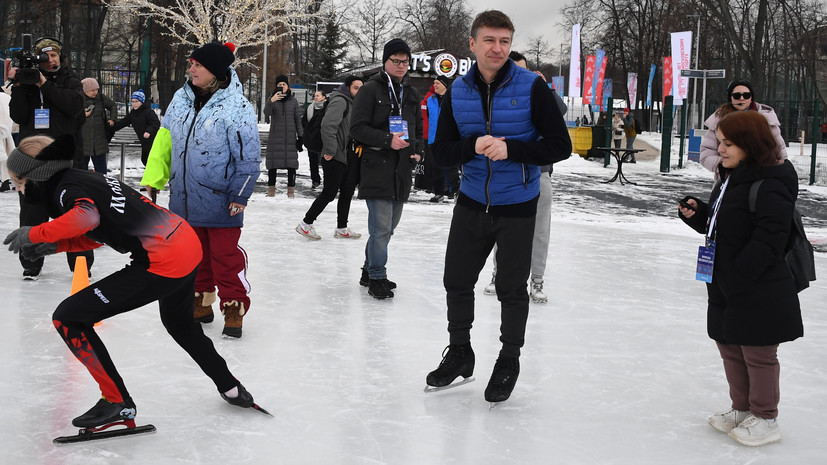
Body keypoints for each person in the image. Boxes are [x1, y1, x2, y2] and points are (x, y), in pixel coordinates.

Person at [3, 135, 261, 429]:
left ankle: (117, 402)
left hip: (163, 259)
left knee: (69, 317)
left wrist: (34, 233)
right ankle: (231, 387)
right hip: (185, 243)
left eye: (18, 183)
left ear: (35, 176)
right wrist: (57, 246)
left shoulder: (64, 189)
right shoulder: (84, 178)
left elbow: (85, 219)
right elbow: (102, 231)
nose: (19, 190)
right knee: (181, 325)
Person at [426, 10, 571, 403]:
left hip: (518, 204)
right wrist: (471, 145)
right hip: (472, 200)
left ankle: (509, 358)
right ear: (472, 44)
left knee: (510, 287)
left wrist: (513, 150)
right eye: (489, 40)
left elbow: (560, 146)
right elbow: (440, 153)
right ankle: (460, 352)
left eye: (504, 41)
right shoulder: (458, 91)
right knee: (457, 280)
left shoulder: (532, 87)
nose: (497, 48)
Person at [678, 110, 802, 447]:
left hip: (757, 284)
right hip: (725, 280)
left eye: (728, 144)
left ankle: (765, 417)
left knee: (758, 353)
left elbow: (771, 238)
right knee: (730, 346)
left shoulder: (772, 182)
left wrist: (740, 273)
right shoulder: (732, 176)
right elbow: (727, 223)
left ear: (750, 144)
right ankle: (743, 408)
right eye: (720, 142)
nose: (720, 149)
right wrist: (699, 214)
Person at [141, 42, 261, 338]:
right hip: (183, 198)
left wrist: (240, 193)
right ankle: (200, 301)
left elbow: (248, 156)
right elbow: (164, 142)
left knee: (224, 257)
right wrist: (154, 179)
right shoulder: (179, 100)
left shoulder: (238, 107)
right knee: (194, 256)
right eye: (191, 64)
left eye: (198, 65)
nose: (191, 69)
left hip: (221, 199)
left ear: (215, 71)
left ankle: (233, 305)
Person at [481, 50, 567, 304]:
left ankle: (537, 279)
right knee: (504, 229)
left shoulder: (539, 93)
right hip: (507, 173)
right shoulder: (501, 97)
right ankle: (498, 274)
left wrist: (545, 89)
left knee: (539, 231)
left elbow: (560, 111)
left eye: (523, 70)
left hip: (539, 173)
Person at [8, 36, 92, 280]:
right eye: (45, 56)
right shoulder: (27, 82)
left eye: (54, 55)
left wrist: (44, 84)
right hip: (34, 162)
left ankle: (80, 263)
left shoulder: (70, 80)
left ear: (60, 56)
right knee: (32, 213)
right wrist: (20, 86)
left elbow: (73, 108)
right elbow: (18, 116)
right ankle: (31, 263)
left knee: (75, 213)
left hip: (67, 160)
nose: (50, 60)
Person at [349, 38, 423, 300]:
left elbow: (417, 129)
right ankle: (377, 277)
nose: (401, 65)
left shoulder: (411, 93)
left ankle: (368, 270)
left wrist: (418, 151)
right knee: (380, 228)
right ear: (385, 61)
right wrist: (386, 139)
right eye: (396, 61)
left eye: (405, 61)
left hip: (401, 168)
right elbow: (356, 128)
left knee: (389, 228)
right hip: (377, 166)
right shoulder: (370, 89)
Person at [296, 76, 363, 240]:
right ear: (347, 88)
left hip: (346, 155)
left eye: (361, 88)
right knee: (329, 192)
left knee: (347, 191)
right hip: (334, 155)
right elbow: (328, 126)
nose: (359, 91)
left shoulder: (352, 102)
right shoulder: (340, 101)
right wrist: (330, 150)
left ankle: (342, 227)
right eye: (356, 88)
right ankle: (306, 223)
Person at [699, 79, 786, 179]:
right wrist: (729, 165)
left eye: (746, 95)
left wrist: (755, 168)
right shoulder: (718, 120)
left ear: (751, 97)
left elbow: (780, 155)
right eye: (737, 96)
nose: (742, 98)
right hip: (729, 180)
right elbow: (706, 156)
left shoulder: (766, 120)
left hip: (761, 179)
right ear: (730, 98)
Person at [263, 74, 303, 198]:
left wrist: (300, 136)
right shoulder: (272, 99)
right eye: (279, 84)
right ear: (276, 87)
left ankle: (291, 192)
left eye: (284, 84)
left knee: (291, 165)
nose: (282, 86)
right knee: (272, 164)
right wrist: (271, 101)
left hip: (290, 138)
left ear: (288, 86)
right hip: (275, 137)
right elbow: (266, 112)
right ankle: (271, 191)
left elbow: (298, 119)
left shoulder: (293, 101)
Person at [425, 75, 460, 203]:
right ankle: (438, 193)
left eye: (437, 83)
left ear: (445, 85)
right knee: (436, 167)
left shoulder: (452, 99)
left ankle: (456, 191)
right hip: (434, 138)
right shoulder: (430, 100)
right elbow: (429, 116)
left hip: (449, 138)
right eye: (434, 83)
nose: (435, 85)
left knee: (451, 167)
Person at [112, 89, 160, 167]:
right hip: (144, 142)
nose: (134, 104)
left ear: (142, 102)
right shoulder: (133, 114)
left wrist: (149, 131)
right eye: (132, 101)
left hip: (153, 141)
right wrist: (111, 127)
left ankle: (154, 174)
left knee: (150, 161)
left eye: (136, 101)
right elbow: (123, 122)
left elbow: (155, 123)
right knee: (145, 160)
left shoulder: (148, 112)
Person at [79, 78, 116, 173]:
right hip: (83, 141)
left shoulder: (101, 98)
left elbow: (113, 105)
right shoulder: (78, 99)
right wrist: (81, 114)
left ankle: (101, 182)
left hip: (99, 140)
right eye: (92, 90)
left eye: (96, 89)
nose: (95, 92)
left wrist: (112, 119)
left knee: (101, 170)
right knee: (81, 171)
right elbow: (70, 113)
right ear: (85, 90)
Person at [302, 90, 326, 188]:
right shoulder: (310, 108)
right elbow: (304, 121)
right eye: (315, 96)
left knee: (325, 160)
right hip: (312, 138)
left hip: (323, 138)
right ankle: (315, 180)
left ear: (324, 97)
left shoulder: (327, 108)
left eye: (318, 96)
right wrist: (309, 129)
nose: (315, 97)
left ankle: (327, 179)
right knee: (313, 160)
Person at [0, 90, 14, 192]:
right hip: (6, 130)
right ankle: (6, 180)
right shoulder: (7, 97)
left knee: (2, 155)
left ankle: (4, 180)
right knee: (6, 155)